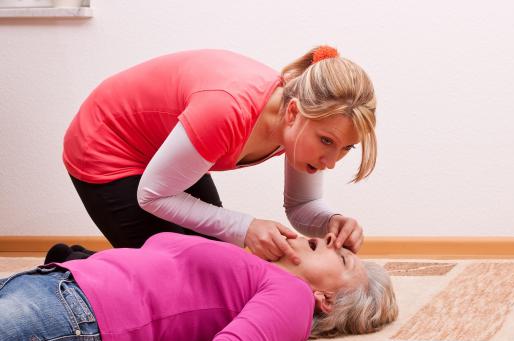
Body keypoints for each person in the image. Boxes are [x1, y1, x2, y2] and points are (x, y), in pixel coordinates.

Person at [62, 46, 377, 263]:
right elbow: (154, 196)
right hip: (107, 142)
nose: (332, 162)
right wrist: (246, 226)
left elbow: (302, 206)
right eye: (326, 142)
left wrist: (331, 221)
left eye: (346, 148)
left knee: (220, 265)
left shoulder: (302, 121)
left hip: (163, 148)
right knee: (176, 276)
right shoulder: (226, 112)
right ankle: (71, 265)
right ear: (293, 113)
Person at [0, 232, 397, 341]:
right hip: (48, 285)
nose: (330, 239)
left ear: (325, 299)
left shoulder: (293, 298)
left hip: (77, 321)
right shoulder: (252, 266)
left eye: (342, 257)